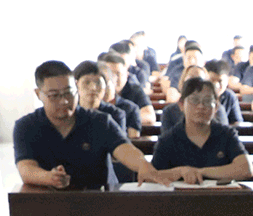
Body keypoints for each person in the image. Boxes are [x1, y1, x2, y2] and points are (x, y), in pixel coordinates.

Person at [14, 60, 198, 192]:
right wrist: (49, 178)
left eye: (69, 93)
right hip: (49, 201)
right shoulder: (27, 126)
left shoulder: (99, 121)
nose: (64, 101)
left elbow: (125, 149)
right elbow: (26, 168)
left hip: (98, 199)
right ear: (39, 94)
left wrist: (143, 165)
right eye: (54, 95)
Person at [151, 75, 252, 184]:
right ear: (181, 105)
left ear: (216, 107)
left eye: (207, 101)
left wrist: (200, 172)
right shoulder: (168, 139)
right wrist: (179, 172)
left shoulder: (226, 134)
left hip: (220, 194)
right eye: (194, 100)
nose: (201, 106)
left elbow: (246, 169)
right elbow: (152, 176)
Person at [72, 60, 129, 136]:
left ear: (105, 87)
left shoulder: (115, 114)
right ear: (76, 85)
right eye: (87, 82)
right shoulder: (70, 113)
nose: (93, 88)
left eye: (98, 83)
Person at [103, 50, 154, 128]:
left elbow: (149, 116)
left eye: (118, 74)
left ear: (127, 75)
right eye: (110, 75)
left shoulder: (135, 89)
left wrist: (122, 119)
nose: (114, 79)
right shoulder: (96, 91)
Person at [159, 64, 211, 133]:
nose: (195, 84)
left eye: (199, 79)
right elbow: (166, 137)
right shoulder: (170, 111)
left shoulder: (214, 109)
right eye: (191, 79)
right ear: (182, 83)